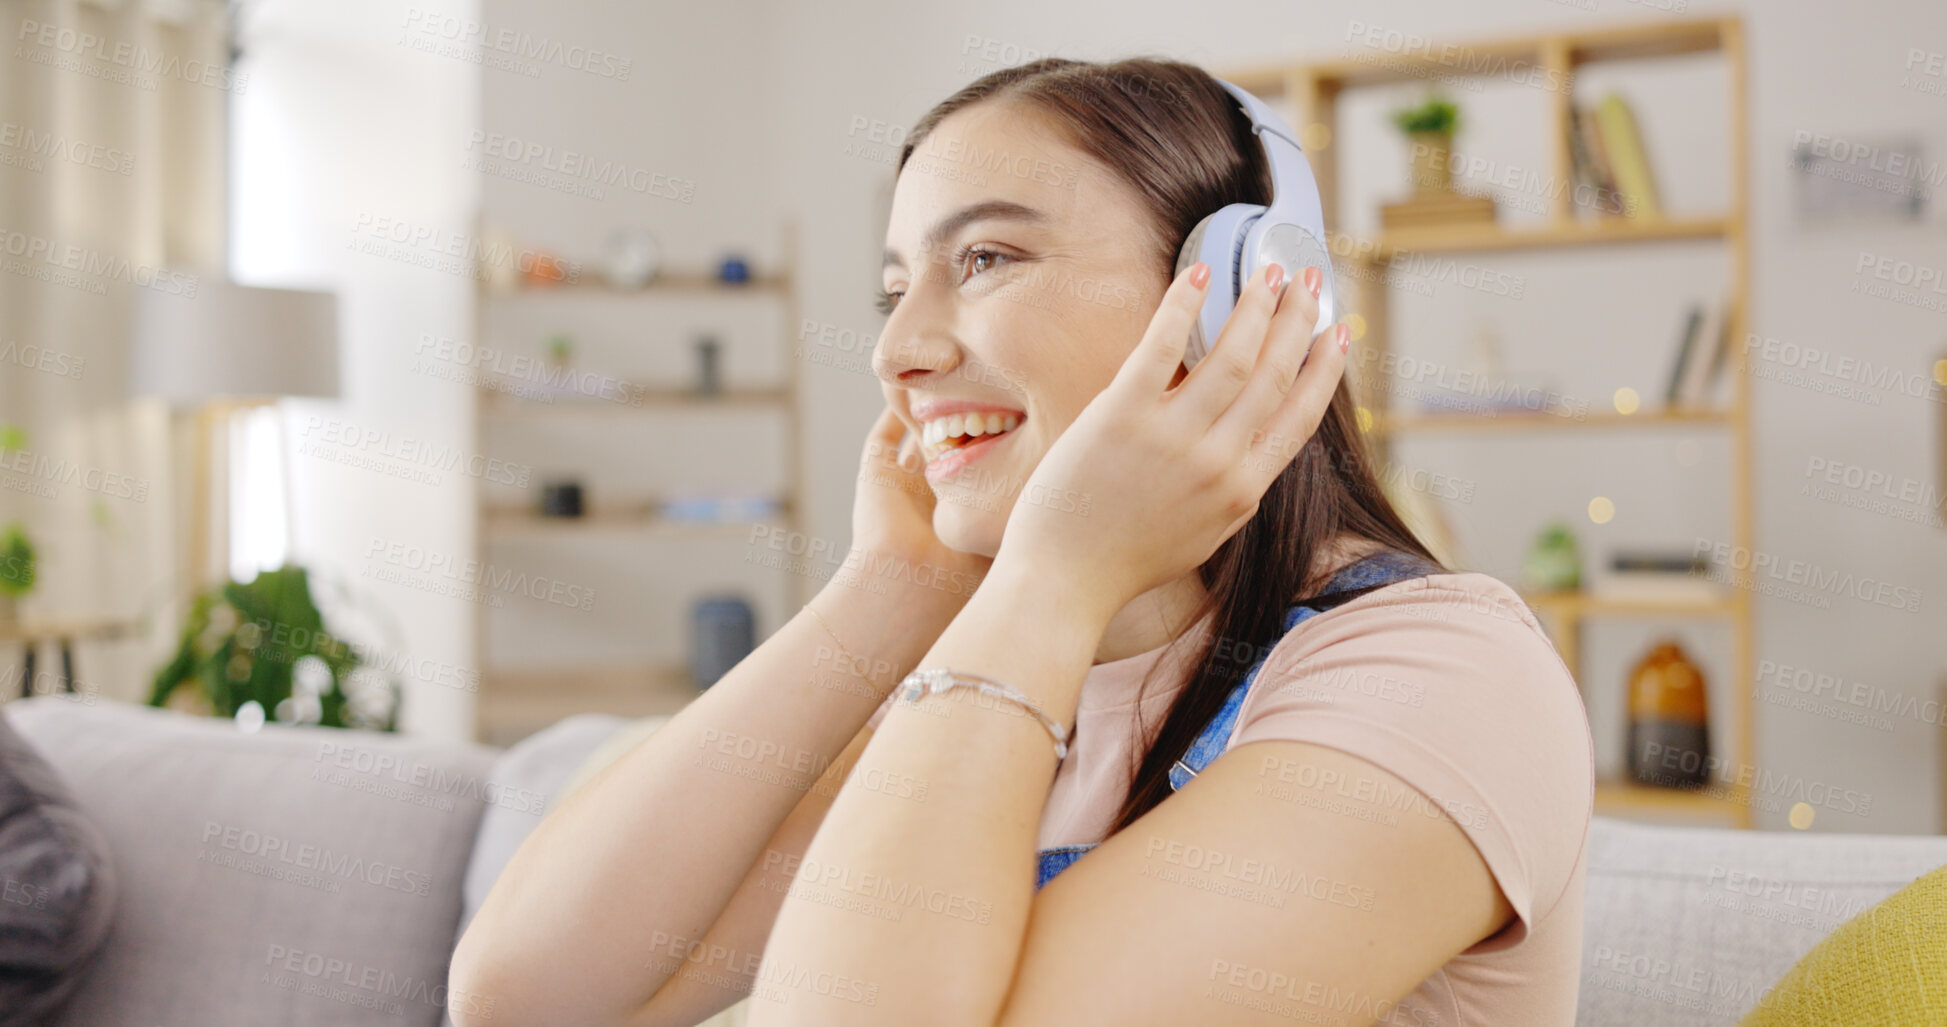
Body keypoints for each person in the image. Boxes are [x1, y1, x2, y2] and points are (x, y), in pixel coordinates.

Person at [451, 56, 1593, 1027]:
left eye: (985, 259)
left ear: (1250, 295)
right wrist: (887, 589)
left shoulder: (1446, 677)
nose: (896, 348)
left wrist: (1050, 579)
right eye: (895, 286)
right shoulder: (1002, 684)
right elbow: (522, 996)